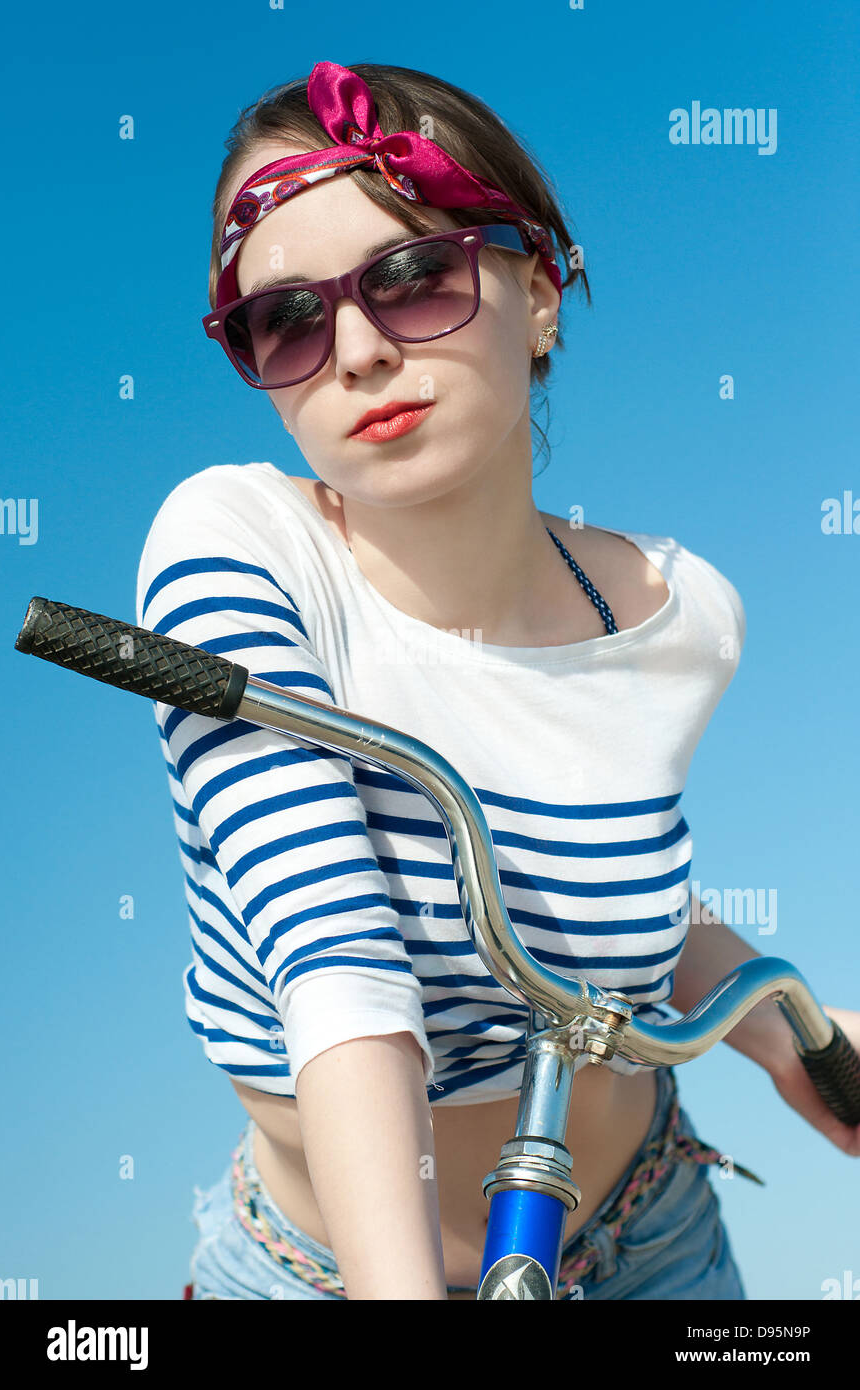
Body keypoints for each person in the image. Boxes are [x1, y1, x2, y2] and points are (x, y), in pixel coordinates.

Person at [136, 60, 860, 1302]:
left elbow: (611, 907)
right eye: (289, 319)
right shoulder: (233, 548)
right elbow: (336, 964)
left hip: (648, 1231)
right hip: (323, 1273)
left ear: (539, 290)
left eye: (412, 278)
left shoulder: (675, 613)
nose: (354, 351)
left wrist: (788, 1037)